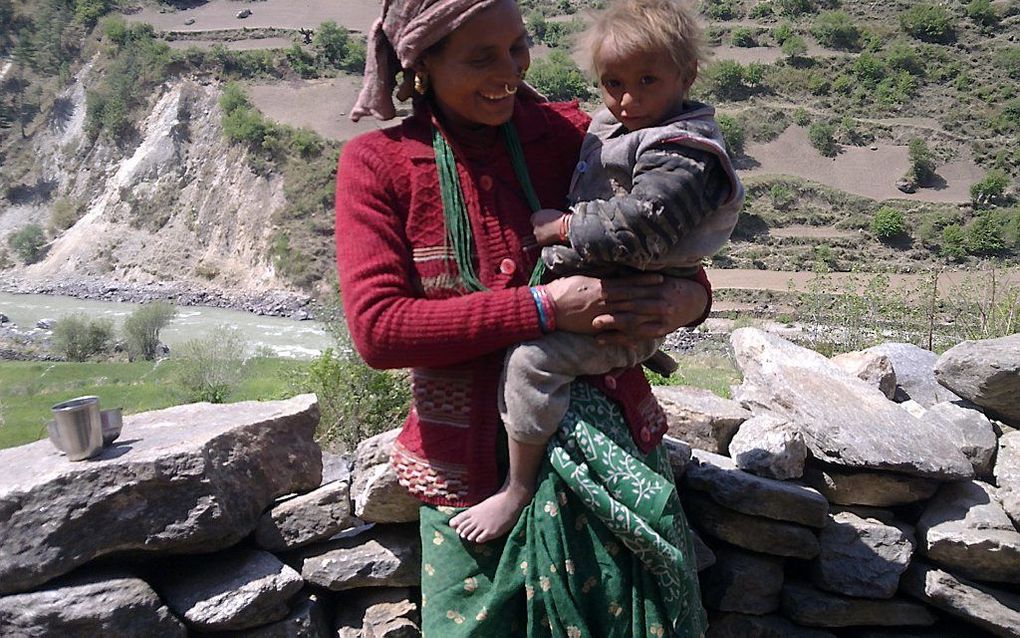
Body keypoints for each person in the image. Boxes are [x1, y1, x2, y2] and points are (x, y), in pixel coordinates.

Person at [337, 0, 710, 635]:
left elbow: (666, 239)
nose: (510, 70)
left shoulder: (574, 138)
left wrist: (690, 301)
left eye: (517, 46)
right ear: (422, 65)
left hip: (612, 445)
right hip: (466, 481)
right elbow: (379, 329)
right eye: (481, 58)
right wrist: (541, 308)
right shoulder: (380, 166)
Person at [450, 0, 743, 544]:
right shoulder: (614, 125)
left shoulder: (684, 151)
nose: (627, 99)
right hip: (610, 296)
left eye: (647, 81)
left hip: (629, 305)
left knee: (530, 363)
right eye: (612, 83)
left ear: (687, 76)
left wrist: (561, 229)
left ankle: (516, 487)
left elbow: (643, 228)